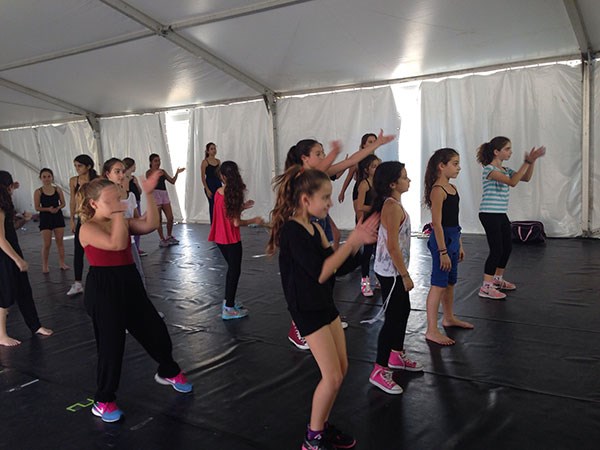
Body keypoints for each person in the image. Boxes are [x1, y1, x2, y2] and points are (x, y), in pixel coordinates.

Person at [267, 165, 379, 450]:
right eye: (325, 197)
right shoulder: (292, 231)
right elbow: (320, 272)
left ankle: (322, 426)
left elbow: (337, 267)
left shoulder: (315, 227)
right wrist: (352, 242)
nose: (330, 203)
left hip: (324, 303)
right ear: (306, 199)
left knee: (341, 368)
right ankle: (312, 438)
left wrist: (360, 247)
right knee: (332, 376)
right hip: (306, 309)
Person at [78, 174, 192, 423]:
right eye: (110, 201)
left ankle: (168, 370)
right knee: (112, 346)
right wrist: (120, 211)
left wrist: (148, 193)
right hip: (104, 290)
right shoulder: (88, 228)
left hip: (129, 282)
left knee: (155, 330)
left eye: (118, 198)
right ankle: (103, 400)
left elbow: (151, 224)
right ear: (94, 204)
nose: (117, 203)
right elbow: (118, 245)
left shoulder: (121, 220)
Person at [284, 131, 395, 350]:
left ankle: (327, 314)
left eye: (323, 152)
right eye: (318, 153)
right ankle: (298, 327)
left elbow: (351, 161)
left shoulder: (319, 174)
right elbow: (337, 164)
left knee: (328, 271)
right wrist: (334, 153)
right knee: (307, 280)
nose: (323, 156)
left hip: (318, 222)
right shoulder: (303, 177)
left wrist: (375, 146)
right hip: (304, 227)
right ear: (304, 158)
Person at [367, 161, 423, 395]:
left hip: (393, 270)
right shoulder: (391, 206)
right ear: (392, 184)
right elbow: (392, 246)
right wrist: (405, 275)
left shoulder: (394, 204)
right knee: (392, 318)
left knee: (403, 311)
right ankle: (379, 369)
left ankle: (396, 355)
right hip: (391, 272)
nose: (408, 180)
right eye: (404, 177)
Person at [476, 137, 546, 299]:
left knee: (507, 247)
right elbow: (512, 182)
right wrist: (527, 162)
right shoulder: (489, 170)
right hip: (488, 213)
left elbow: (525, 178)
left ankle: (497, 279)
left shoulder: (505, 169)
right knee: (496, 250)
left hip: (500, 213)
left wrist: (532, 162)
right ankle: (486, 287)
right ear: (496, 152)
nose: (510, 152)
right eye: (507, 149)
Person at [423, 149, 474, 346]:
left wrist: (458, 244)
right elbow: (437, 224)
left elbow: (454, 221)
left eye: (458, 163)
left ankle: (448, 317)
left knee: (450, 282)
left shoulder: (452, 188)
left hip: (452, 239)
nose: (459, 167)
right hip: (441, 241)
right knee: (438, 284)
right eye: (455, 163)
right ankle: (431, 329)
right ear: (441, 166)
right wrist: (443, 251)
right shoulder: (438, 190)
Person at [0, 170, 53, 346]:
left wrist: (24, 220)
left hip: (11, 250)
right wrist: (17, 259)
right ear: (7, 187)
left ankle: (35, 325)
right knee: (5, 293)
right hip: (5, 254)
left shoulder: (5, 204)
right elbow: (0, 238)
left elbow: (10, 229)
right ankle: (1, 335)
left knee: (24, 290)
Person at [208, 161, 263, 319]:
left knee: (232, 269)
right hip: (231, 239)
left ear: (223, 176)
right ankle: (228, 308)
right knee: (234, 271)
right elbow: (236, 223)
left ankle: (229, 301)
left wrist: (242, 206)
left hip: (219, 237)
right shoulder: (235, 193)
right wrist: (253, 220)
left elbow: (226, 210)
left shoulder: (219, 192)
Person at [67, 154, 98, 296]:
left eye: (79, 166)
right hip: (82, 218)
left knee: (97, 248)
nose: (77, 168)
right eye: (75, 166)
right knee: (78, 250)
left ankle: (99, 279)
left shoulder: (97, 180)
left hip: (96, 218)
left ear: (88, 166)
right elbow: (73, 201)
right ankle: (78, 283)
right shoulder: (74, 181)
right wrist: (72, 219)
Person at [354, 155, 381, 297]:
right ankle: (365, 281)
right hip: (368, 222)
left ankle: (378, 277)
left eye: (378, 166)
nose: (377, 169)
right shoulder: (364, 185)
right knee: (368, 252)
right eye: (374, 166)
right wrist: (373, 208)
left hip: (378, 221)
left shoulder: (379, 183)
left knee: (379, 251)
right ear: (366, 170)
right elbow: (360, 206)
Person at [146, 153, 185, 248]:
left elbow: (172, 181)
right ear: (151, 162)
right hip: (156, 194)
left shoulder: (162, 171)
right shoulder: (149, 172)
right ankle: (162, 239)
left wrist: (177, 173)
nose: (158, 163)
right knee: (158, 219)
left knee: (170, 217)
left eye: (159, 160)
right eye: (155, 161)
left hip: (164, 194)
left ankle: (169, 236)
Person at [34, 168, 68, 273]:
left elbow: (63, 203)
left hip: (57, 216)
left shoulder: (57, 189)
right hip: (45, 218)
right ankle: (45, 265)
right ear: (40, 178)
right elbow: (37, 207)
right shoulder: (38, 192)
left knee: (60, 242)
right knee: (47, 244)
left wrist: (57, 208)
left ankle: (62, 263)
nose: (47, 179)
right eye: (44, 177)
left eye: (49, 176)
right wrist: (48, 209)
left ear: (52, 177)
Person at [337, 133, 377, 204]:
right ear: (363, 145)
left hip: (373, 190)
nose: (373, 144)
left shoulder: (377, 160)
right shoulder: (357, 159)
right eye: (370, 142)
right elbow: (349, 176)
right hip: (359, 189)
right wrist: (342, 192)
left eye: (375, 142)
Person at [122, 157, 146, 256]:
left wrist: (136, 184)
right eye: (134, 165)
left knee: (137, 221)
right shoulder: (124, 178)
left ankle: (136, 247)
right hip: (128, 201)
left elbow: (139, 192)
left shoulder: (133, 178)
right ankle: (132, 246)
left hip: (135, 200)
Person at [201, 142, 222, 224]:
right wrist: (207, 189)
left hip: (218, 184)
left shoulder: (218, 161)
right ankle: (213, 224)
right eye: (212, 149)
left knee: (219, 205)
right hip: (210, 184)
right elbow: (203, 177)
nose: (214, 150)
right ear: (207, 151)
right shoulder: (205, 162)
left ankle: (219, 224)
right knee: (212, 205)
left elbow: (220, 175)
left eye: (214, 148)